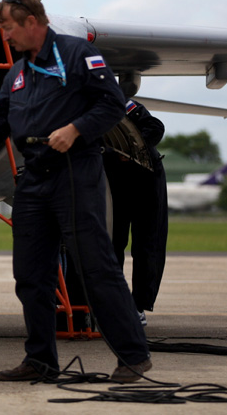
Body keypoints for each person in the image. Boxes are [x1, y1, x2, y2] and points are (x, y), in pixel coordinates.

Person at [0, 0, 151, 383]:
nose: (3, 35)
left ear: (31, 22)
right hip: (34, 177)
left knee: (95, 267)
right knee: (30, 275)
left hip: (74, 172)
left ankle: (133, 355)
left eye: (6, 27)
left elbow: (111, 104)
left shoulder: (77, 54)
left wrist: (75, 130)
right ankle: (40, 360)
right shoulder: (18, 74)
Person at [103, 100, 168, 326]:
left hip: (145, 180)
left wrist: (130, 149)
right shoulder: (77, 108)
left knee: (146, 246)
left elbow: (155, 127)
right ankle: (114, 303)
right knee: (111, 244)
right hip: (113, 184)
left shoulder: (123, 105)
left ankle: (138, 306)